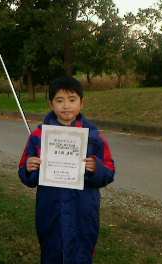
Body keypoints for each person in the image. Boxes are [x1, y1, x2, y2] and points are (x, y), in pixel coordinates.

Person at [18, 76, 116, 264]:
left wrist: (97, 169)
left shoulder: (95, 138)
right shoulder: (37, 137)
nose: (66, 106)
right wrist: (29, 169)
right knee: (52, 251)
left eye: (72, 100)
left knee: (81, 252)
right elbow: (25, 173)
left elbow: (110, 171)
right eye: (59, 100)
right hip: (50, 209)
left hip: (83, 211)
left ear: (82, 102)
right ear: (51, 104)